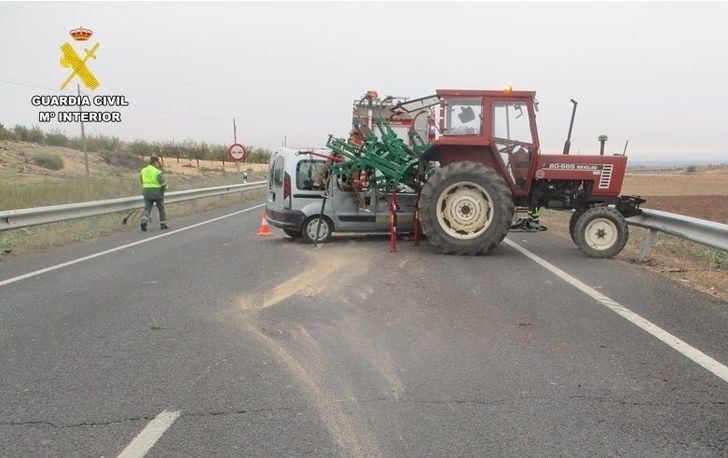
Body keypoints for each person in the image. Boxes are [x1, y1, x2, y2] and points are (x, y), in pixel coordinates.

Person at [139, 155, 168, 231]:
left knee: (147, 209)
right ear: (155, 162)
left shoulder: (143, 170)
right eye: (158, 162)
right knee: (161, 208)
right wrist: (165, 187)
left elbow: (142, 181)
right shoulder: (157, 172)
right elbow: (163, 183)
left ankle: (143, 221)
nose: (159, 164)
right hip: (157, 192)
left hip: (146, 192)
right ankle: (163, 224)